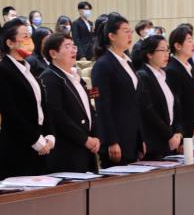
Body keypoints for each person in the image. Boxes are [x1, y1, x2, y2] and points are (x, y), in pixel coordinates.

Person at [0, 18, 55, 177]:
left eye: (29, 36)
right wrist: (35, 139)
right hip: (18, 144)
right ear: (10, 43)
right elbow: (10, 112)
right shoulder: (1, 71)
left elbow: (41, 105)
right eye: (24, 37)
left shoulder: (28, 68)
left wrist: (49, 134)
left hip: (40, 140)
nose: (29, 41)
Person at [39, 33, 99, 173]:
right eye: (67, 46)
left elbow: (89, 109)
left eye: (73, 46)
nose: (73, 50)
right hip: (67, 149)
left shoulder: (76, 77)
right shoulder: (49, 78)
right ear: (53, 53)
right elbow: (57, 115)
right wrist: (84, 139)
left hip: (87, 145)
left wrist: (96, 136)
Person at [90, 13, 144, 165]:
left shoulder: (127, 62)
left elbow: (135, 103)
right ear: (112, 36)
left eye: (130, 31)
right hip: (116, 138)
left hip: (132, 135)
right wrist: (111, 141)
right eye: (125, 31)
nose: (130, 34)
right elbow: (102, 105)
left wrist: (140, 138)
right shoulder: (103, 64)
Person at [132, 34, 182, 160]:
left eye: (168, 50)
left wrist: (178, 132)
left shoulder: (164, 75)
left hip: (170, 139)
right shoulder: (143, 76)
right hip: (154, 141)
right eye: (162, 50)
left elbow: (175, 106)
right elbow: (149, 111)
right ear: (149, 54)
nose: (167, 54)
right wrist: (169, 135)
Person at [165, 26, 194, 138]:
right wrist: (180, 133)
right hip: (185, 131)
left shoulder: (189, 67)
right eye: (189, 41)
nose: (193, 45)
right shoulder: (172, 70)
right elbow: (176, 105)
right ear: (178, 46)